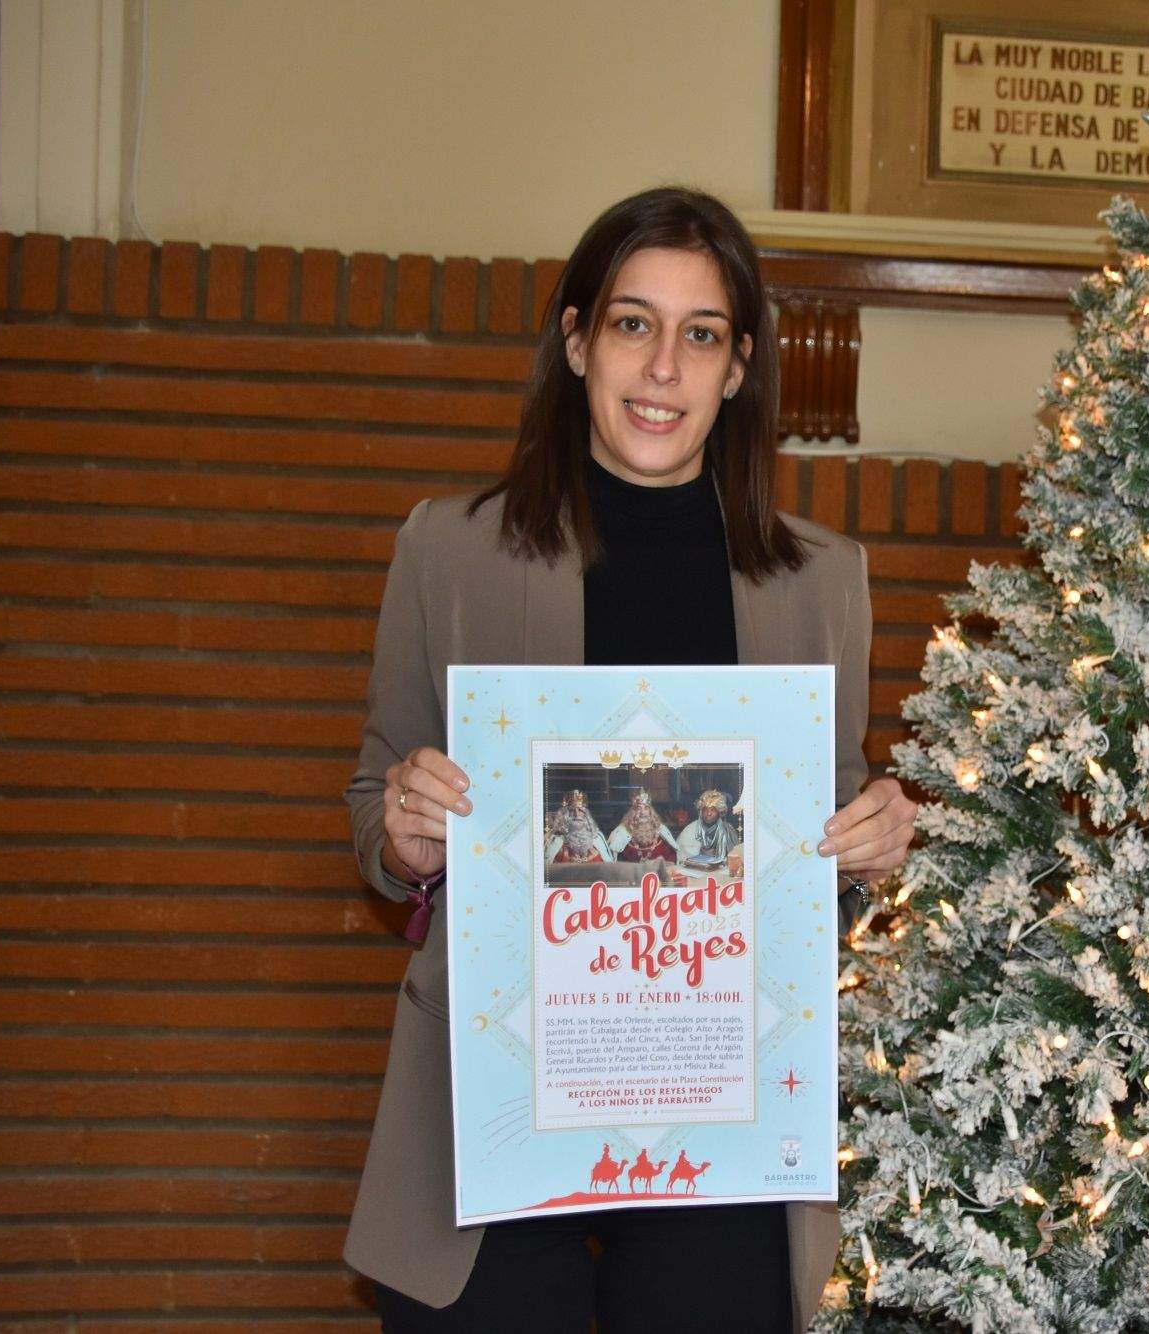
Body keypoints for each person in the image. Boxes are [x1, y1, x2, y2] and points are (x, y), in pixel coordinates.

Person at [341, 186, 919, 1332]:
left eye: (700, 334)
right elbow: (374, 799)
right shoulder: (447, 548)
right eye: (630, 323)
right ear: (573, 342)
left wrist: (873, 845)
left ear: (739, 366)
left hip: (722, 1123)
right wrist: (398, 831)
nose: (663, 367)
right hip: (500, 1116)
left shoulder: (819, 581)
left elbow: (819, 839)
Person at [608, 789, 682, 884]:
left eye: (646, 808)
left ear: (651, 812)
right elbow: (615, 865)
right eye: (638, 808)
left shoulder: (662, 830)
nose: (642, 812)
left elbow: (672, 858)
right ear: (632, 812)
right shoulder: (620, 833)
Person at [675, 787, 739, 870]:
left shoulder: (728, 829)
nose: (708, 813)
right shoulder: (690, 830)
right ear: (701, 811)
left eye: (713, 810)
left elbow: (736, 856)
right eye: (705, 810)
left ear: (719, 812)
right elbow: (683, 860)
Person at [543, 788, 607, 864]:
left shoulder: (598, 839)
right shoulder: (554, 841)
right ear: (564, 815)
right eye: (571, 810)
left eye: (580, 810)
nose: (576, 815)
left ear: (586, 815)